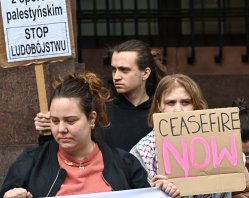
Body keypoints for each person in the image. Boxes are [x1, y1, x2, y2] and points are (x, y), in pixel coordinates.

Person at [0, 72, 179, 198]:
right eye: (55, 121)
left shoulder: (126, 165)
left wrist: (162, 192)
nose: (61, 129)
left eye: (70, 121)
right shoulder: (30, 163)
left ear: (91, 119)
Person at [130, 74, 249, 198]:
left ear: (196, 106)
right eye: (170, 103)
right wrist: (155, 193)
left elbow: (248, 194)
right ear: (159, 106)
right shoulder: (142, 151)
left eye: (185, 102)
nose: (178, 110)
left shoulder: (220, 142)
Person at [34, 39, 167, 152]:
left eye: (124, 70)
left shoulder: (161, 109)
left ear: (145, 73)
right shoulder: (100, 104)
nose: (117, 76)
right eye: (114, 69)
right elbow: (67, 145)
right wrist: (47, 130)